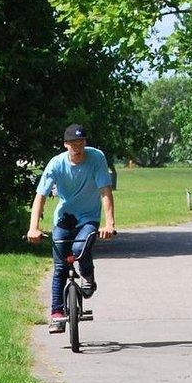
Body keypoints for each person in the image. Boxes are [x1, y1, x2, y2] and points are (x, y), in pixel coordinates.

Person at [26, 123, 115, 331]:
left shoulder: (97, 158)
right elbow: (40, 196)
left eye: (81, 142)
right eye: (73, 143)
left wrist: (109, 224)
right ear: (66, 144)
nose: (78, 146)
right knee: (60, 267)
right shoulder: (56, 164)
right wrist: (33, 228)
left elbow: (105, 191)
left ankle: (87, 274)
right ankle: (56, 314)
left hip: (88, 217)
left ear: (85, 142)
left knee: (79, 248)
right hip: (64, 218)